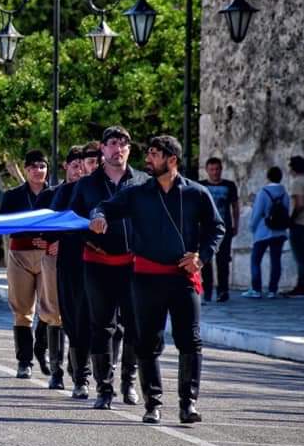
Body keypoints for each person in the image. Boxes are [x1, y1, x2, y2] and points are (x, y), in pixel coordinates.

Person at [89, 135, 224, 425]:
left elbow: (217, 228)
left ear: (172, 160)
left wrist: (201, 257)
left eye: (155, 154)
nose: (148, 158)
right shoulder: (137, 193)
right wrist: (98, 216)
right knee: (147, 342)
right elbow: (104, 207)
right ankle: (153, 404)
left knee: (191, 340)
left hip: (184, 278)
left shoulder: (196, 193)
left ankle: (188, 404)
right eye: (148, 152)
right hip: (147, 278)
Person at [69, 126, 146, 409]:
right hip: (98, 263)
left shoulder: (142, 182)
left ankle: (129, 382)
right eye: (112, 143)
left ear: (129, 149)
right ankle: (104, 388)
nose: (118, 149)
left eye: (123, 144)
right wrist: (90, 235)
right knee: (102, 326)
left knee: (135, 325)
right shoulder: (87, 185)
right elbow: (72, 222)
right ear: (102, 149)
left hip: (134, 264)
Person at [49, 142, 100, 398]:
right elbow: (52, 223)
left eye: (92, 162)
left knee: (106, 323)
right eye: (81, 163)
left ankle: (108, 377)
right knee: (75, 321)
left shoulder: (112, 191)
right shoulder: (66, 192)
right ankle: (79, 376)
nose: (86, 168)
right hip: (71, 264)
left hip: (103, 265)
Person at [0, 150, 57, 380]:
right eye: (33, 167)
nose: (38, 171)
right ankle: (24, 361)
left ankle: (42, 350)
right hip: (20, 255)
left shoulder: (56, 194)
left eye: (42, 166)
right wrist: (30, 231)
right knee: (22, 311)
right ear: (25, 170)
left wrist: (48, 240)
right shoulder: (13, 196)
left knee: (50, 308)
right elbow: (4, 223)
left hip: (47, 256)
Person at [244, 166, 290, 298]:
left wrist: (252, 227)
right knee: (276, 261)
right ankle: (272, 290)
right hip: (279, 232)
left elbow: (257, 212)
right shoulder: (284, 193)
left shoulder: (263, 192)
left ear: (268, 177)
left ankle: (256, 289)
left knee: (255, 260)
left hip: (263, 231)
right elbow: (286, 211)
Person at [198, 157, 239, 303]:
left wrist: (236, 225)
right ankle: (207, 291)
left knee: (223, 261)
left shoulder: (229, 185)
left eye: (217, 169)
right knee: (205, 261)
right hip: (205, 229)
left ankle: (223, 291)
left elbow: (235, 206)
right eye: (212, 169)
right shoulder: (201, 186)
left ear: (221, 170)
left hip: (223, 229)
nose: (215, 172)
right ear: (207, 170)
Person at [284, 156, 304, 296]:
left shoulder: (297, 182)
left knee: (301, 257)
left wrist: (291, 220)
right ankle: (303, 285)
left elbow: (299, 204)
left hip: (300, 224)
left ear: (292, 168)